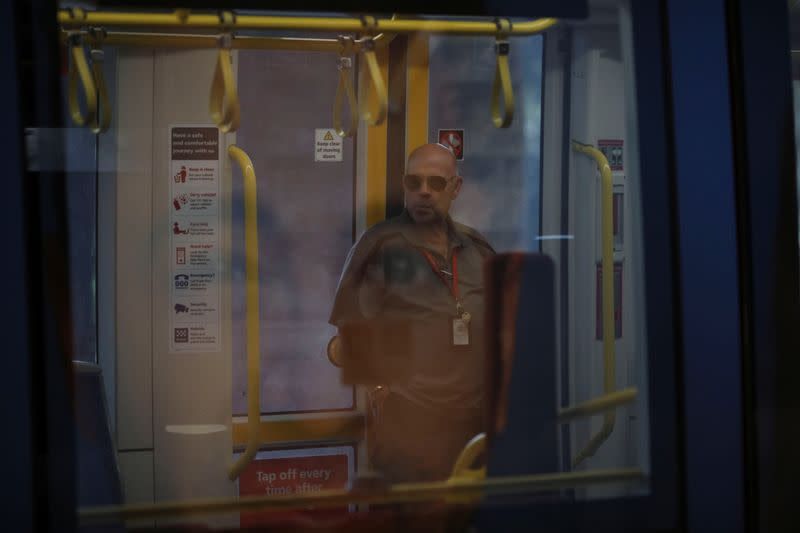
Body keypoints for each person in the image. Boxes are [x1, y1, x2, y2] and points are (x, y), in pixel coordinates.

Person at [328, 143, 495, 482]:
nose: (423, 192)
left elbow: (503, 329)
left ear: (456, 188)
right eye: (413, 182)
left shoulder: (477, 249)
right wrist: (380, 388)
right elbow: (345, 341)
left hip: (474, 422)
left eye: (435, 183)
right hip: (410, 422)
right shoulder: (379, 244)